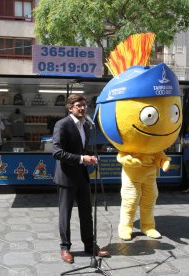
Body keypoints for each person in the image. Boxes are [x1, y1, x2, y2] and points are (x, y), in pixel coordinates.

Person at [52, 93, 109, 264]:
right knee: (65, 214)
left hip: (82, 176)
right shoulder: (62, 125)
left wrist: (90, 157)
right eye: (79, 105)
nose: (83, 108)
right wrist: (82, 159)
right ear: (70, 108)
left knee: (86, 213)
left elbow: (80, 149)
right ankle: (65, 248)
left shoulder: (86, 126)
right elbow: (57, 152)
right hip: (66, 177)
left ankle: (89, 245)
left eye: (84, 105)